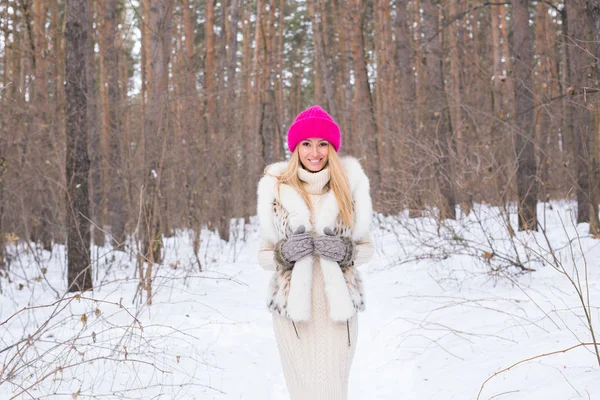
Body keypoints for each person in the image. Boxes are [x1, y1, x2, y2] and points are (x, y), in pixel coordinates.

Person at [257, 105, 374, 399]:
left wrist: (345, 252)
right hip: (294, 316)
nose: (315, 152)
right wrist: (284, 254)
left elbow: (367, 249)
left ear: (332, 148)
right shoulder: (278, 190)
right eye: (306, 144)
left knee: (333, 391)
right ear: (296, 148)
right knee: (304, 393)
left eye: (323, 144)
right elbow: (263, 257)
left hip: (338, 314)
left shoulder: (348, 189)